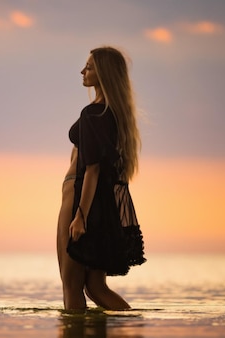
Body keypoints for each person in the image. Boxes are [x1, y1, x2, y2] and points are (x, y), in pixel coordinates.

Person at [57, 46, 143, 311]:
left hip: (79, 197)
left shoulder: (93, 114)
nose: (83, 71)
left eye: (90, 67)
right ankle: (128, 329)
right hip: (102, 206)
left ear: (103, 73)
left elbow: (92, 170)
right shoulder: (114, 115)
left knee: (71, 285)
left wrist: (80, 215)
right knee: (95, 287)